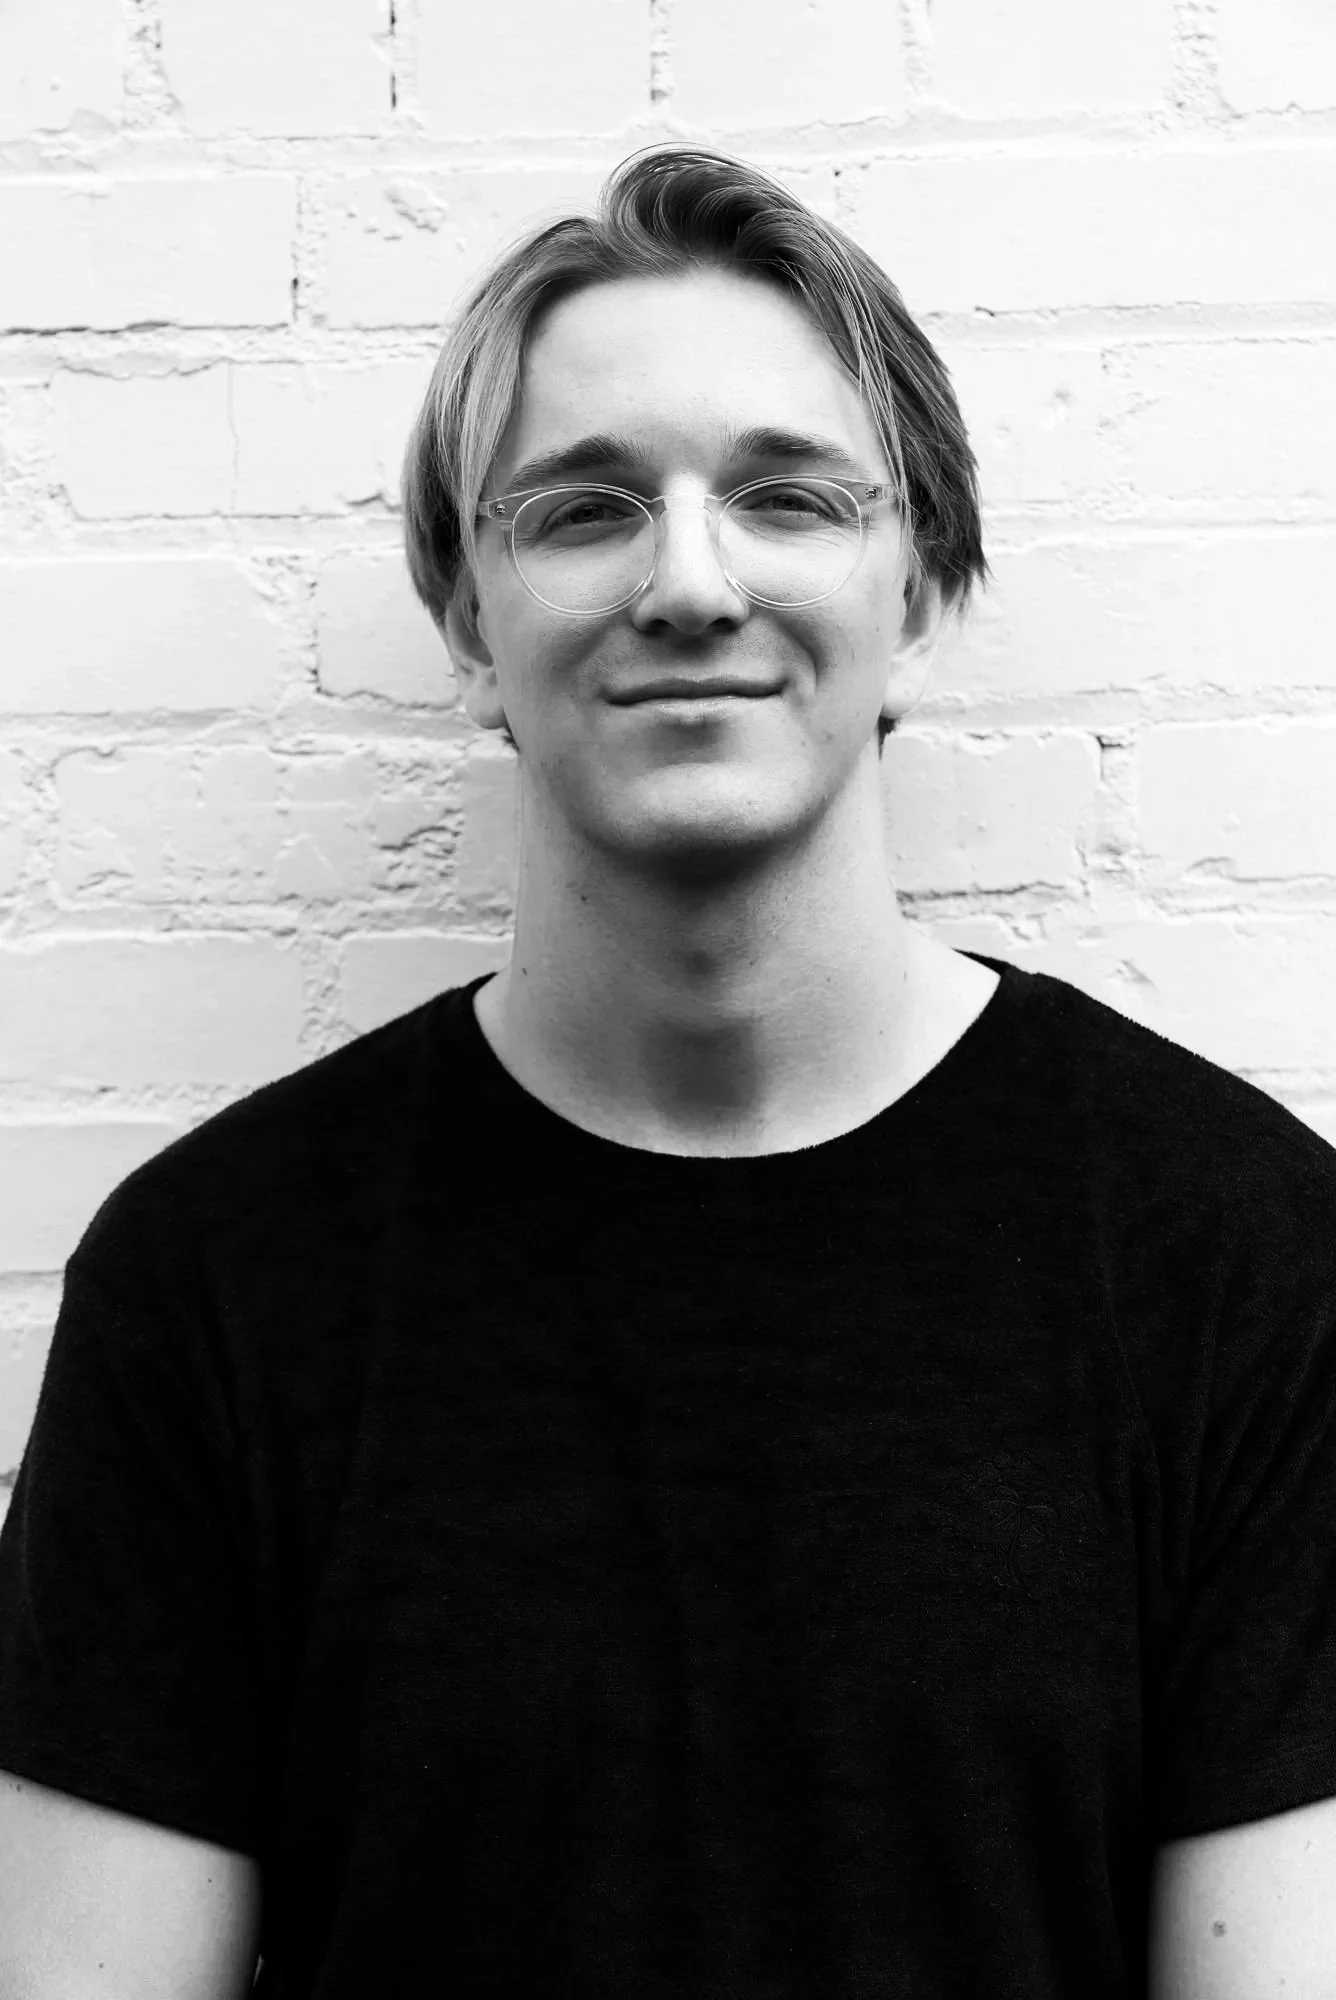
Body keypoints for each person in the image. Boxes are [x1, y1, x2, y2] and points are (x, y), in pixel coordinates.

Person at [1, 144, 1334, 2000]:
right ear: (470, 622)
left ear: (926, 598)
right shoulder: (212, 1284)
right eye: (583, 510)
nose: (691, 582)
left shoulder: (1244, 1254)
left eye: (788, 497)